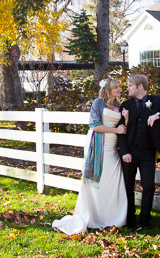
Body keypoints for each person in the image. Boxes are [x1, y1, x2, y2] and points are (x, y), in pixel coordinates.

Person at [52, 78, 128, 234]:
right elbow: (94, 125)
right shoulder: (98, 103)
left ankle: (112, 217)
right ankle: (94, 217)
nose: (120, 89)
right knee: (96, 181)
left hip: (113, 148)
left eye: (119, 86)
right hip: (98, 146)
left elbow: (125, 126)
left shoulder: (120, 106)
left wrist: (126, 118)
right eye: (116, 87)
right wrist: (117, 131)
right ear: (108, 90)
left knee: (112, 181)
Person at [117, 74, 160, 230]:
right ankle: (130, 219)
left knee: (149, 185)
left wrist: (158, 115)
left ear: (140, 87)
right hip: (129, 152)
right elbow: (120, 130)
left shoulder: (156, 101)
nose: (127, 88)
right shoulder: (126, 104)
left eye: (130, 85)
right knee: (127, 186)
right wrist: (124, 152)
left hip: (148, 153)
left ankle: (145, 220)